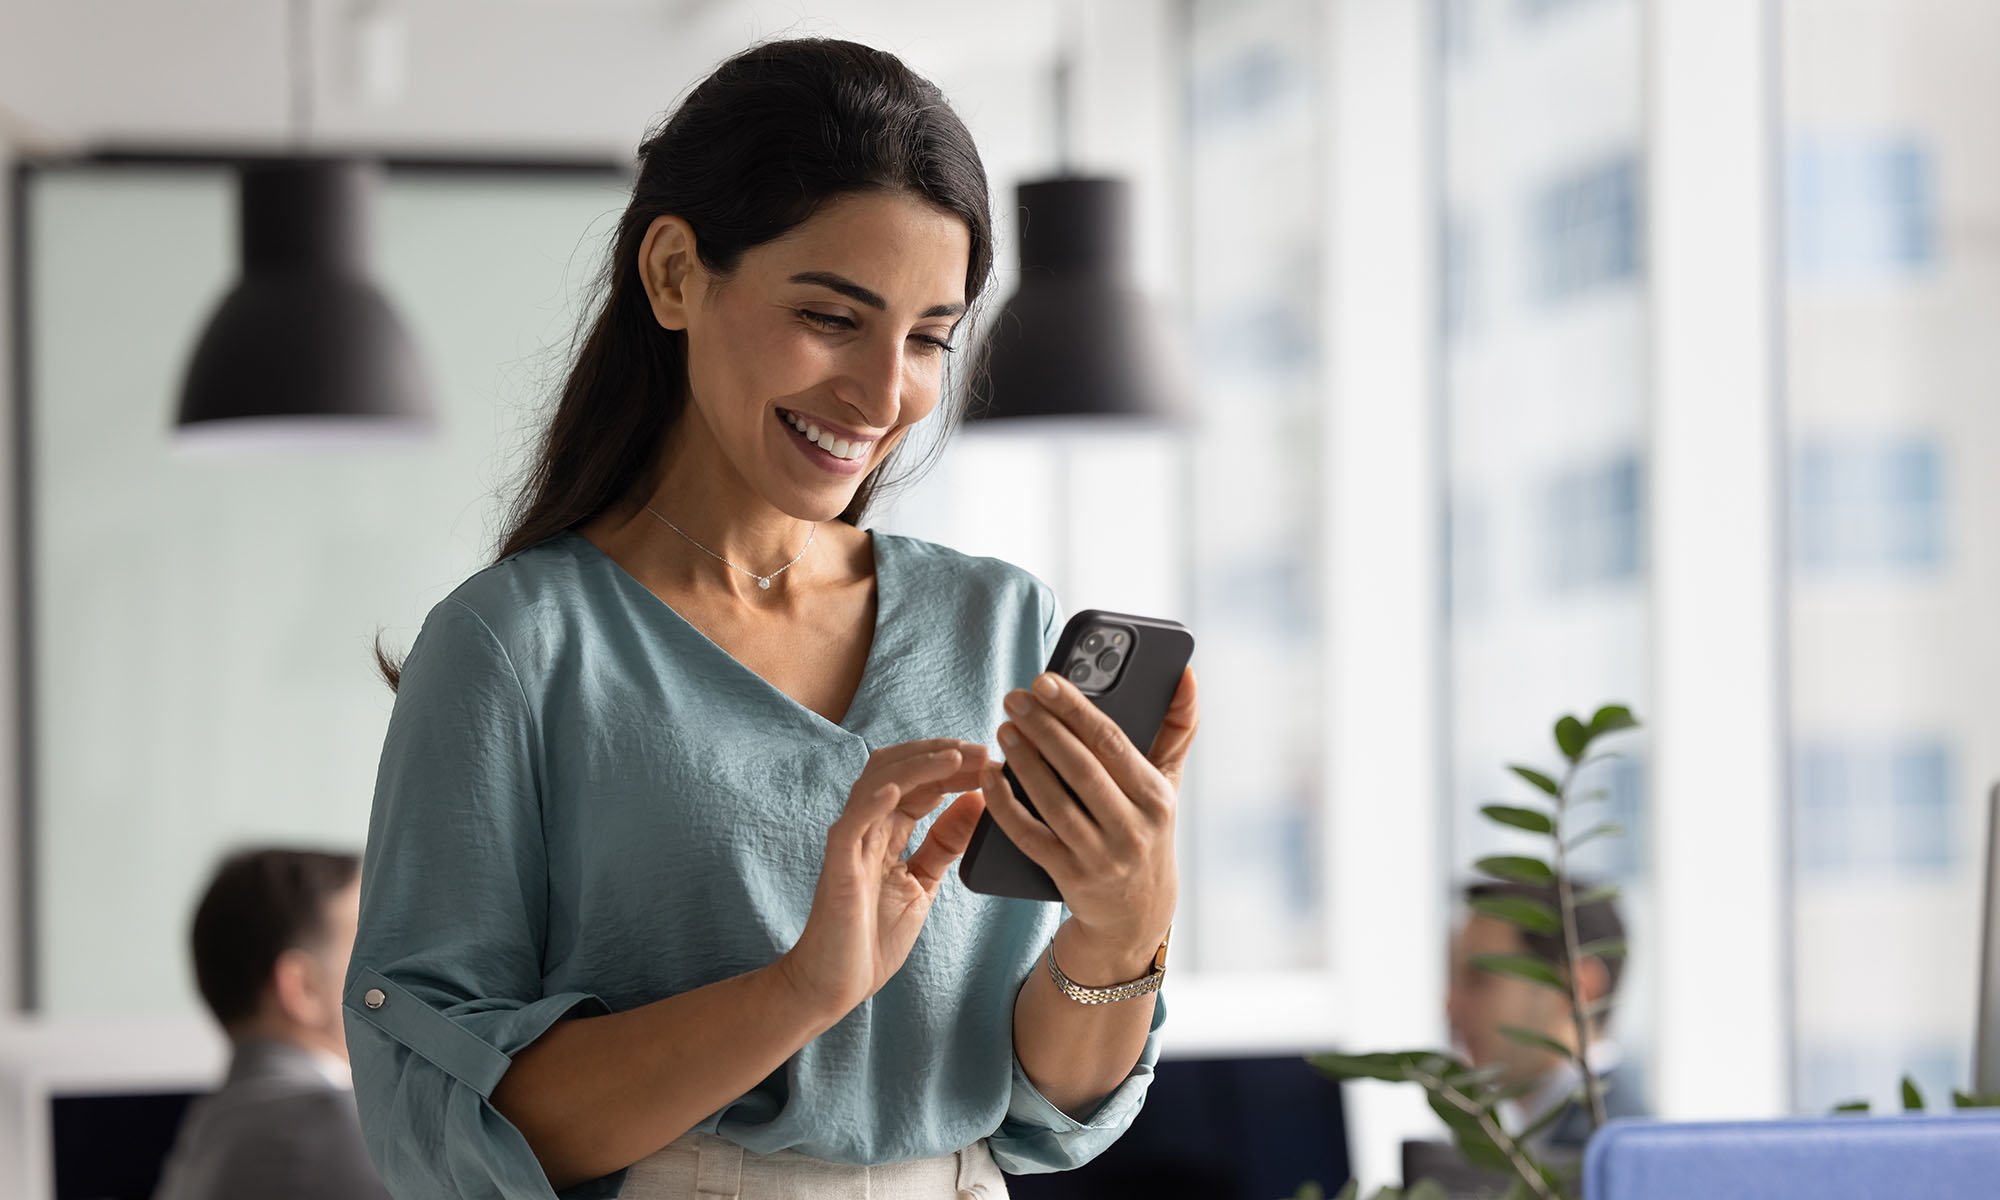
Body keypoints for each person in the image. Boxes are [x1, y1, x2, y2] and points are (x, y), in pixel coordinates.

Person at [342, 37, 1199, 1200]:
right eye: (831, 317)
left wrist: (1121, 924)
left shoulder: (993, 620)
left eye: (928, 338)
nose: (883, 392)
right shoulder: (515, 648)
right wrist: (799, 991)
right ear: (672, 275)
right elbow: (441, 1127)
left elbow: (1042, 1107)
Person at [153, 848, 389, 1200]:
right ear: (303, 988)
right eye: (374, 944)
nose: (396, 971)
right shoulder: (346, 1132)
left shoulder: (210, 1133)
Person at [1445, 879, 1646, 1151]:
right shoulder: (1567, 1137)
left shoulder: (1610, 1155)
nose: (1450, 1004)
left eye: (1480, 979)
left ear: (1577, 990)